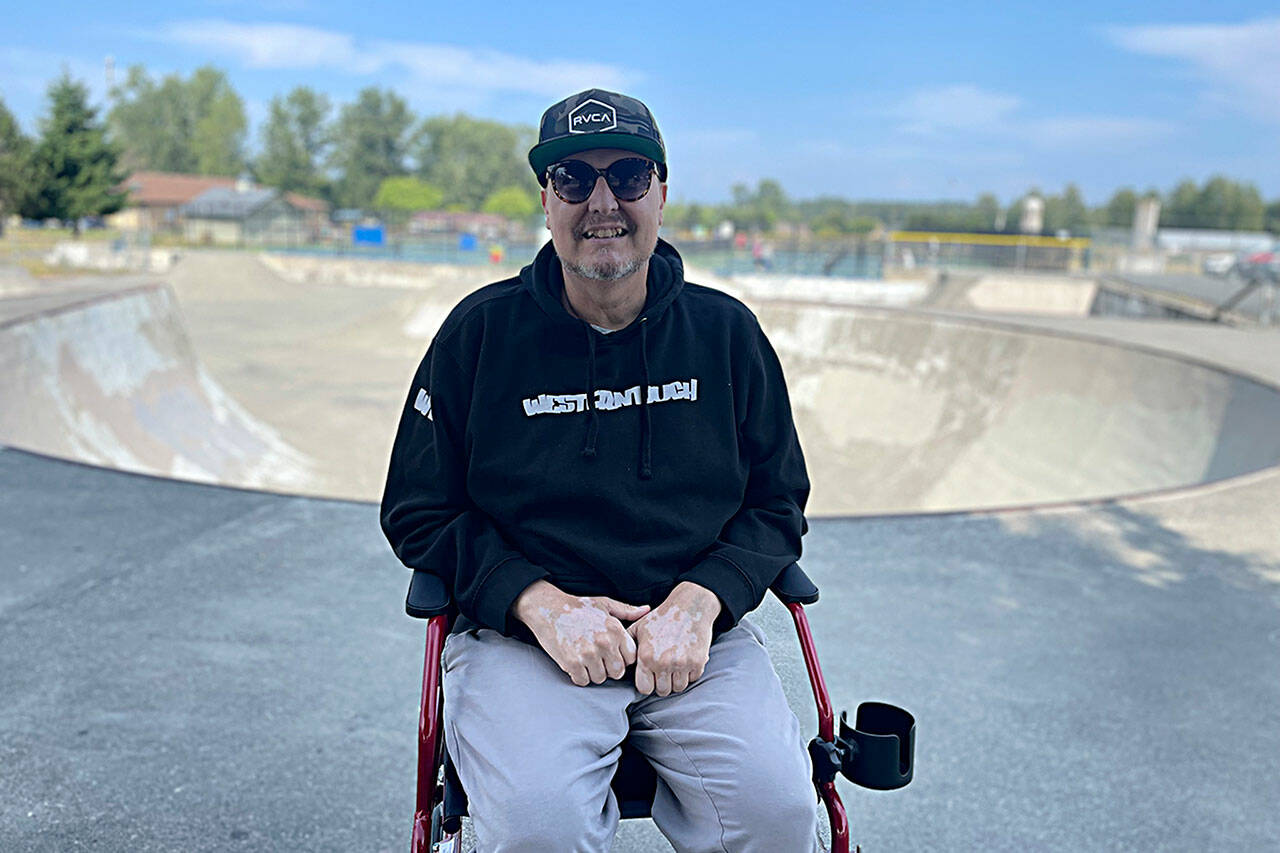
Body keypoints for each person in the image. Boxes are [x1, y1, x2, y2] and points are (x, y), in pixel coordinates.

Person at [381, 88, 820, 852]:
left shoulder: (727, 335)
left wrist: (702, 598)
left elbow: (777, 502)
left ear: (662, 192)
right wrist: (536, 602)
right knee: (538, 830)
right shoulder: (478, 335)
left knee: (781, 815)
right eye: (575, 180)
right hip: (525, 643)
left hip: (694, 642)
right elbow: (417, 508)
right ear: (547, 201)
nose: (603, 202)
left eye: (628, 176)